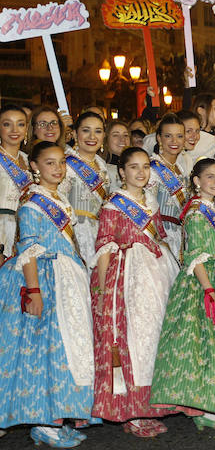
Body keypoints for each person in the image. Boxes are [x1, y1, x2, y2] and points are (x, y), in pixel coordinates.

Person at [0, 142, 94, 447]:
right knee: (45, 352)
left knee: (64, 352)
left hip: (67, 280)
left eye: (60, 163)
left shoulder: (59, 199)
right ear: (35, 167)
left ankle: (57, 416)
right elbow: (29, 251)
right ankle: (43, 422)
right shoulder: (31, 204)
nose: (57, 168)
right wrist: (34, 291)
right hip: (45, 280)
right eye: (49, 163)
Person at [90, 147, 179, 437]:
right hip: (126, 277)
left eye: (145, 167)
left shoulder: (151, 202)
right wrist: (104, 292)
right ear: (121, 172)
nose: (140, 173)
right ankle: (131, 412)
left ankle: (148, 407)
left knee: (152, 340)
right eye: (133, 167)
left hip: (155, 275)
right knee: (132, 341)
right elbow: (104, 246)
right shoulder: (113, 204)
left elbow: (159, 238)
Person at [150, 159, 215, 430]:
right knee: (207, 346)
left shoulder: (211, 209)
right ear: (196, 181)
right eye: (210, 177)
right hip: (205, 281)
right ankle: (205, 408)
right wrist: (209, 289)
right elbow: (196, 256)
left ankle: (213, 404)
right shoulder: (196, 213)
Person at [60, 112, 110, 267]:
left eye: (98, 131)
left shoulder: (102, 165)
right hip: (73, 232)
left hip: (98, 235)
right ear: (75, 133)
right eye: (86, 130)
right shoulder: (65, 163)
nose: (92, 137)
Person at [147, 114, 191, 263]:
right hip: (162, 235)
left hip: (180, 235)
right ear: (159, 138)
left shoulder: (180, 167)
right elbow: (147, 208)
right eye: (168, 136)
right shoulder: (152, 168)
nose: (174, 141)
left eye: (179, 136)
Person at [0, 105, 31, 258]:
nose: (14, 129)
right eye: (7, 124)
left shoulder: (29, 161)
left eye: (20, 124)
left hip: (24, 231)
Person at [102, 121, 130, 188]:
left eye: (125, 135)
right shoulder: (101, 168)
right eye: (116, 135)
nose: (122, 139)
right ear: (106, 140)